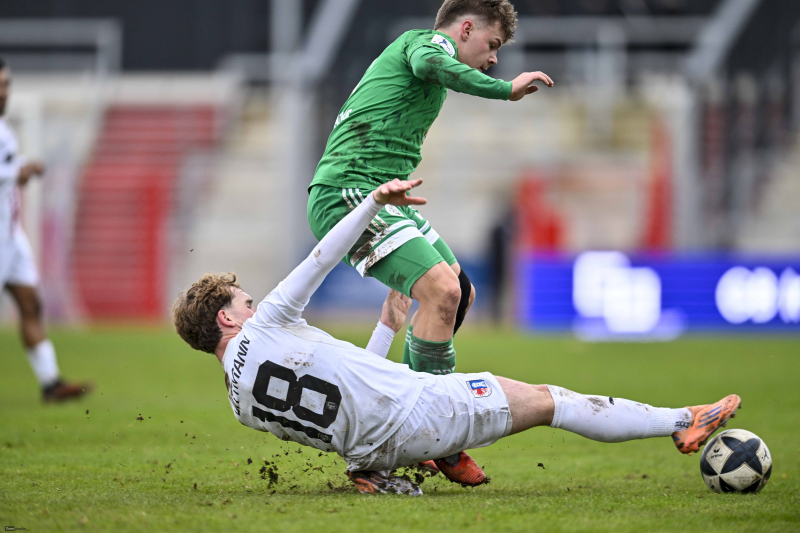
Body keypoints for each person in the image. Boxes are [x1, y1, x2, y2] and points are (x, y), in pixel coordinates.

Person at [173, 179, 741, 495]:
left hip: (372, 446)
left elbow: (345, 392)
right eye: (242, 300)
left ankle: (371, 475)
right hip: (419, 418)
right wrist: (371, 202)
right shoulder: (269, 321)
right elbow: (322, 257)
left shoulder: (238, 403)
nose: (253, 301)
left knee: (374, 433)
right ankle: (679, 421)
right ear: (227, 318)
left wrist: (386, 327)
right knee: (552, 401)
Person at [306, 0, 553, 485]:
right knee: (443, 291)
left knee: (459, 291)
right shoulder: (427, 45)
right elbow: (431, 62)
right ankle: (440, 436)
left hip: (384, 194)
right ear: (465, 28)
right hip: (350, 191)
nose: (494, 57)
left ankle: (412, 425)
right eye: (493, 44)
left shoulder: (429, 53)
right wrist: (505, 90)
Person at [0, 58, 91, 402]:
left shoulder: (5, 130)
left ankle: (50, 383)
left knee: (31, 304)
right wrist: (15, 174)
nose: (4, 92)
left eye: (6, 84)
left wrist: (25, 165)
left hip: (10, 238)